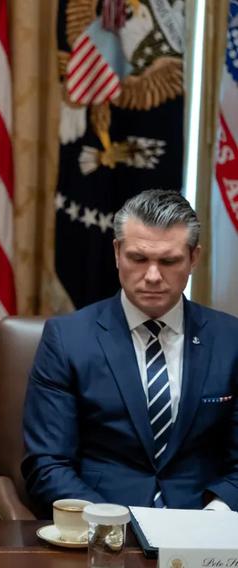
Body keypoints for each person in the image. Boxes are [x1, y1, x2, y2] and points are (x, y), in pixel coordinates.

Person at [22, 190, 238, 516]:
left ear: (194, 258)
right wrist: (113, 521)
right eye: (138, 259)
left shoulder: (230, 339)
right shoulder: (67, 339)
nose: (152, 276)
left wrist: (217, 514)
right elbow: (48, 464)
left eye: (169, 261)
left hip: (202, 524)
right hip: (101, 527)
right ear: (117, 252)